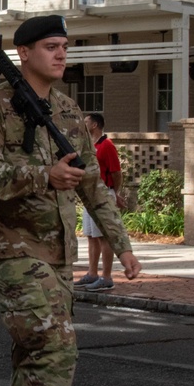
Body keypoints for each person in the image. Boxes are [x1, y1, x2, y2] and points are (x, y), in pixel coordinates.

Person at [0, 14, 142, 386]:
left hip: (59, 253)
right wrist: (43, 175)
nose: (61, 53)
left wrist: (124, 246)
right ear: (23, 53)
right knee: (55, 348)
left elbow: (94, 186)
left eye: (64, 46)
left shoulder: (66, 110)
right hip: (12, 248)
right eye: (50, 46)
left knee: (34, 356)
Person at [75, 113, 127, 291]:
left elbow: (116, 173)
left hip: (104, 195)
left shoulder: (107, 145)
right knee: (91, 236)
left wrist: (115, 193)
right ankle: (92, 273)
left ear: (95, 125)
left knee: (104, 237)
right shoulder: (89, 146)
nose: (83, 123)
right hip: (90, 196)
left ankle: (106, 276)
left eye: (86, 121)